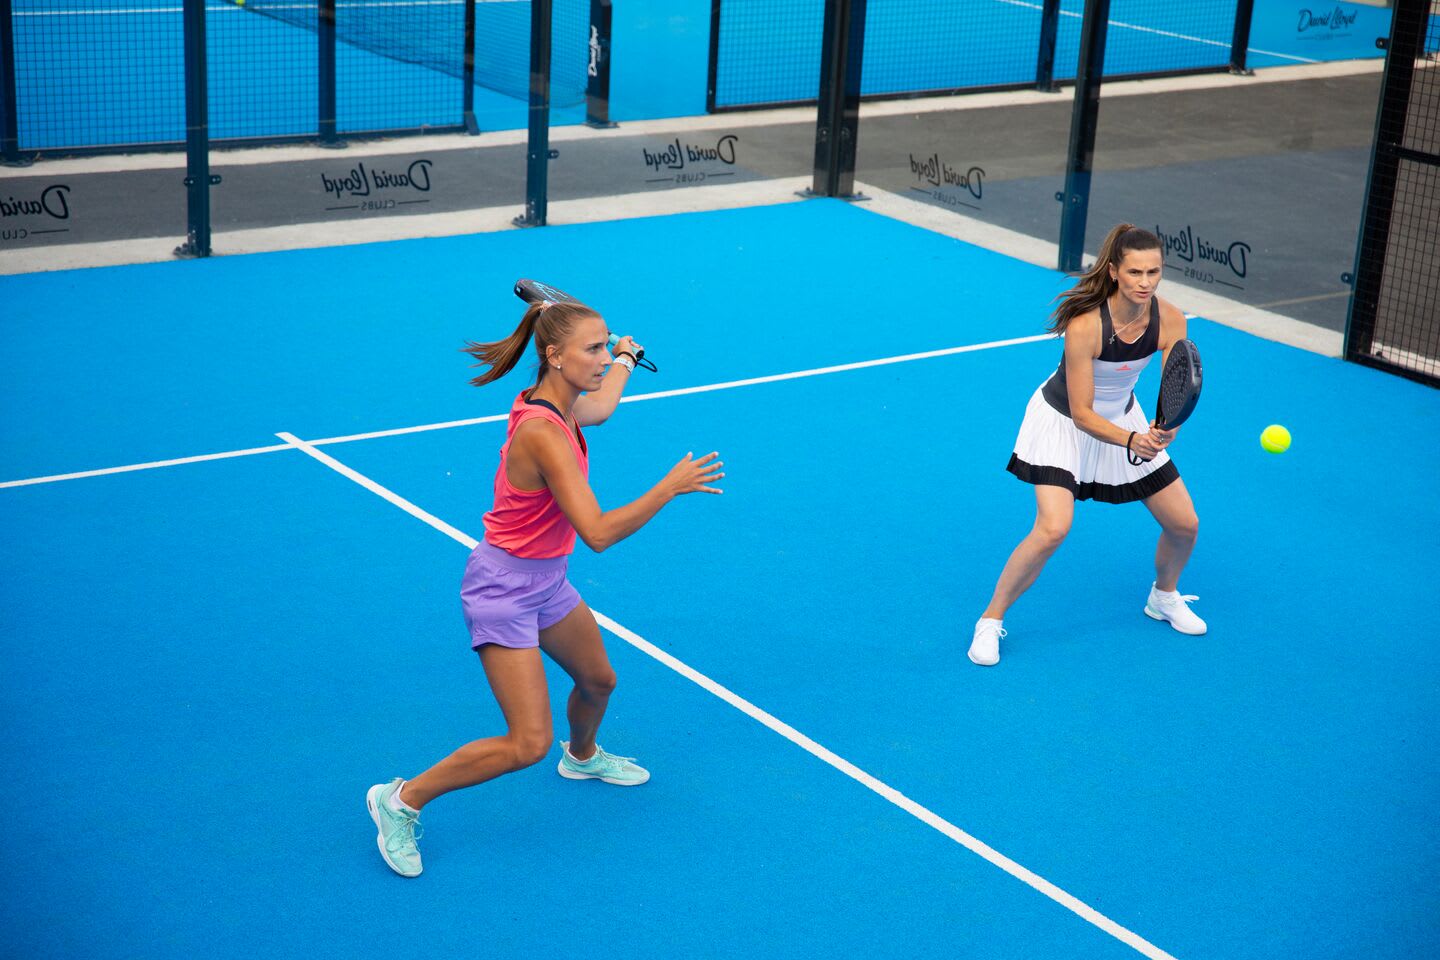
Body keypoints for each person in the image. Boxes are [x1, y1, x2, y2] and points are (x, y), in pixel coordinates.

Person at [367, 296, 724, 877]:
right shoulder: (544, 433)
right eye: (594, 348)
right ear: (554, 355)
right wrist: (669, 487)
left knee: (598, 680)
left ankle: (582, 757)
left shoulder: (558, 403)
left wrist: (628, 358)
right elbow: (599, 533)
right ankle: (400, 800)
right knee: (527, 743)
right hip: (503, 591)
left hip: (546, 581)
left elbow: (601, 408)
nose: (604, 356)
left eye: (608, 343)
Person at [969, 223, 1204, 667]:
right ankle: (989, 620)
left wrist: (1166, 428)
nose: (1145, 282)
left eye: (1154, 272)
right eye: (1135, 272)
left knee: (1184, 525)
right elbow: (1083, 413)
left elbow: (1173, 385)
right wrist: (1133, 439)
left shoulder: (1171, 319)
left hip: (1125, 419)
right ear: (1115, 272)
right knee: (1053, 529)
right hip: (1064, 422)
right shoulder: (1085, 327)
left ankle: (1164, 596)